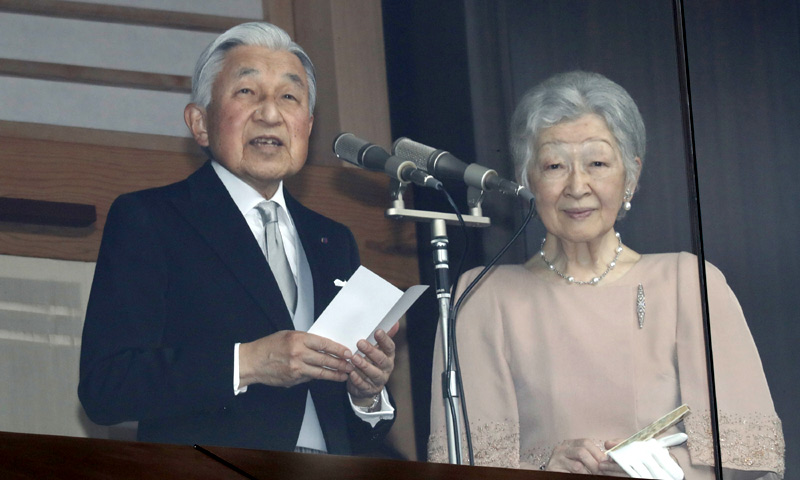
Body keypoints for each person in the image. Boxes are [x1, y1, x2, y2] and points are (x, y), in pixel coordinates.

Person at [428, 71, 784, 478]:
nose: (577, 186)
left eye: (597, 163)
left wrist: (663, 470)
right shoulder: (482, 296)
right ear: (528, 179)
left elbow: (750, 461)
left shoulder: (690, 283)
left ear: (630, 176)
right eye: (554, 165)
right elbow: (463, 468)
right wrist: (546, 468)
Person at [78, 22, 396, 455]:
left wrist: (367, 394)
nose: (270, 114)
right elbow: (106, 387)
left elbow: (349, 428)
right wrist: (247, 363)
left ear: (307, 126)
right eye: (247, 92)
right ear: (201, 123)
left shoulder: (332, 240)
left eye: (289, 96)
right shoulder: (151, 219)